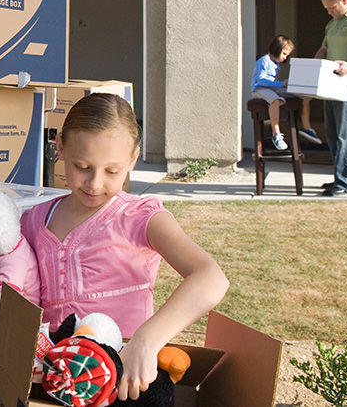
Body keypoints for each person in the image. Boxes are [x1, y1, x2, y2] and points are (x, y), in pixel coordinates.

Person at [20, 94, 229, 402]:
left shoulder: (141, 217)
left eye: (112, 171)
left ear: (133, 159)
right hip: (55, 382)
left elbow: (211, 278)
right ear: (60, 146)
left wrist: (147, 340)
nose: (95, 183)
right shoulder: (35, 219)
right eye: (82, 166)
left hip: (126, 383)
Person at [314, 0, 347, 196]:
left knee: (345, 133)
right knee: (331, 133)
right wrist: (316, 62)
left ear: (344, 1)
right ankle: (339, 177)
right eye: (326, 9)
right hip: (331, 82)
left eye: (331, 8)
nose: (329, 12)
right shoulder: (332, 24)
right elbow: (324, 49)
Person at [250, 34, 322, 151]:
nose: (285, 57)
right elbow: (261, 80)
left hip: (272, 87)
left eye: (287, 55)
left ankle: (306, 128)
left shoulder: (275, 64)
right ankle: (276, 134)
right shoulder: (264, 61)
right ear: (276, 49)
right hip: (260, 89)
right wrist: (280, 84)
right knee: (275, 100)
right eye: (284, 54)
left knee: (305, 96)